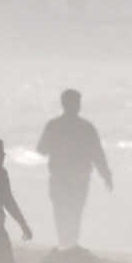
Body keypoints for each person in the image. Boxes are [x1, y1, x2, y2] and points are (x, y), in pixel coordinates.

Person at [35, 90, 113, 250]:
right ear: (77, 105)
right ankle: (70, 244)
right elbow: (97, 154)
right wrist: (106, 175)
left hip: (60, 176)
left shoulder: (54, 125)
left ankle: (65, 243)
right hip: (79, 177)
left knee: (61, 209)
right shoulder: (86, 127)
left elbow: (41, 149)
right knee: (75, 210)